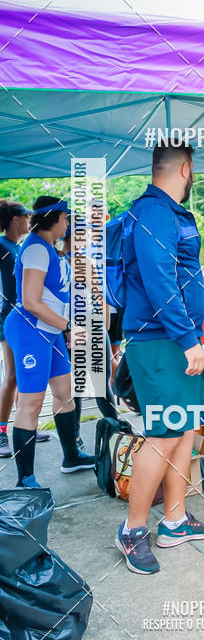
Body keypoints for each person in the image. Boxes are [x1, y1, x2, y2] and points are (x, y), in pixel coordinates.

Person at [115, 142, 204, 575]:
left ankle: (174, 520)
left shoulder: (167, 211)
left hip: (176, 340)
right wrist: (186, 338)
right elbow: (159, 278)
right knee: (163, 433)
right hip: (161, 340)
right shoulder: (155, 211)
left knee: (186, 427)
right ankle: (132, 530)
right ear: (186, 168)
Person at [3, 196, 95, 487]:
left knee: (64, 392)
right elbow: (30, 301)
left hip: (49, 330)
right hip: (30, 330)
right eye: (65, 218)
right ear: (54, 218)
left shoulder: (49, 248)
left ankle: (72, 457)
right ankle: (25, 479)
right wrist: (68, 326)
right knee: (31, 403)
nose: (68, 224)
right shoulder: (36, 250)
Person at [0, 200, 51, 458]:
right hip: (8, 318)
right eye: (26, 216)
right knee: (11, 377)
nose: (29, 220)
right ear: (14, 219)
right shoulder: (1, 246)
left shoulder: (19, 247)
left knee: (23, 375)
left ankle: (26, 426)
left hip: (27, 318)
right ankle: (1, 433)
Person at [61, 223, 118, 449]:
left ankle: (79, 438)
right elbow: (99, 297)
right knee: (97, 385)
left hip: (75, 327)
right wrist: (104, 328)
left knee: (81, 386)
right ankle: (115, 432)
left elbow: (98, 297)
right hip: (82, 326)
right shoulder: (75, 261)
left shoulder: (65, 261)